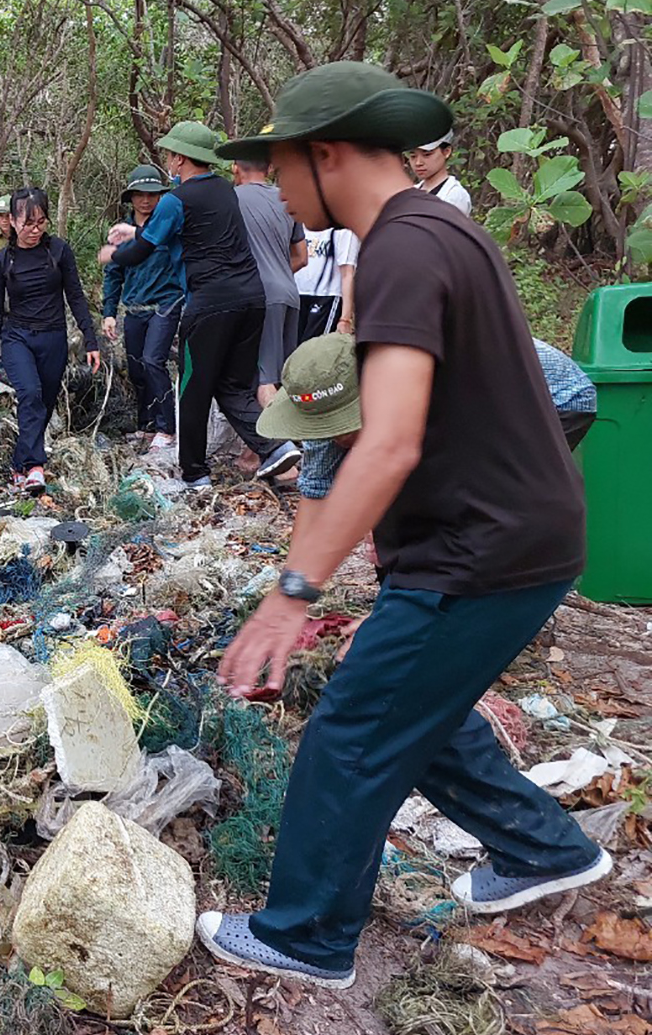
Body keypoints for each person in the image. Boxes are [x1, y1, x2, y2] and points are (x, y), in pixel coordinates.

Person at [201, 61, 608, 990]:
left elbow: (384, 443)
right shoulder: (436, 230)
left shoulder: (402, 244)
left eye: (278, 164)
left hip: (481, 549)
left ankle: (305, 933)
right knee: (409, 707)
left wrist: (289, 594)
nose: (271, 184)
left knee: (351, 727)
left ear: (327, 151)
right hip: (516, 537)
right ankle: (542, 849)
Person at [99, 121, 300, 489]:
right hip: (252, 299)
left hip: (210, 304)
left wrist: (113, 253)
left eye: (170, 156)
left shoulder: (178, 198)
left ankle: (194, 474)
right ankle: (275, 446)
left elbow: (144, 250)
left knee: (193, 389)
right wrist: (135, 234)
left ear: (178, 158)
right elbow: (169, 232)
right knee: (232, 386)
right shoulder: (227, 190)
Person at [263, 332, 599, 524]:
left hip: (555, 398)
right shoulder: (323, 396)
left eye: (342, 427)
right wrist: (295, 586)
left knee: (488, 505)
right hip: (482, 403)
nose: (335, 437)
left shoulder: (424, 385)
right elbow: (316, 491)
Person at [0, 187, 101, 495]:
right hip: (17, 337)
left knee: (44, 404)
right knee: (30, 393)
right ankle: (36, 466)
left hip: (53, 337)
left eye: (41, 222)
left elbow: (75, 296)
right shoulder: (2, 262)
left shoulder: (59, 251)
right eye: (28, 222)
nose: (35, 230)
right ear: (12, 220)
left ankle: (19, 464)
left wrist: (91, 340)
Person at [101, 165, 183, 452]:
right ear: (130, 197)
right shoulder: (120, 231)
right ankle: (146, 426)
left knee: (153, 360)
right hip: (134, 307)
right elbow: (113, 273)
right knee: (136, 369)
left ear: (160, 196)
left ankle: (167, 428)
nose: (146, 201)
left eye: (152, 194)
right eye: (139, 194)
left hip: (166, 302)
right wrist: (109, 312)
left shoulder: (168, 227)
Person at [232, 158, 308, 407]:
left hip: (259, 297)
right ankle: (287, 439)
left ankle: (278, 444)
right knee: (285, 377)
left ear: (235, 168)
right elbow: (302, 257)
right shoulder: (287, 199)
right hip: (289, 293)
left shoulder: (233, 199)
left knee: (264, 380)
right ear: (270, 169)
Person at [295, 228, 359, 340]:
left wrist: (345, 318)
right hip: (298, 291)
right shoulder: (301, 223)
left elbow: (347, 274)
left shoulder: (343, 230)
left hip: (326, 295)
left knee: (313, 345)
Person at [410, 129, 472, 215]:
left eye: (427, 155)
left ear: (446, 152)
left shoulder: (454, 195)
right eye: (413, 156)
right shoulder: (412, 192)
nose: (418, 163)